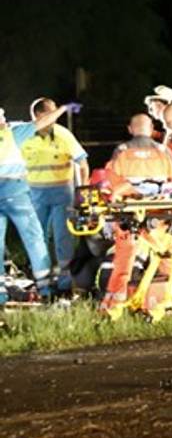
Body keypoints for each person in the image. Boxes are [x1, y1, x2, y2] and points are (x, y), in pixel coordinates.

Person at [100, 114, 172, 313]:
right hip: (160, 216)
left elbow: (112, 183)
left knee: (124, 259)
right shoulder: (164, 152)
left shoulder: (121, 152)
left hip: (129, 215)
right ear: (152, 128)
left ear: (130, 129)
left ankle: (114, 304)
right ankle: (168, 300)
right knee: (166, 256)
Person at [0, 102, 78, 303]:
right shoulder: (11, 135)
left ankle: (1, 294)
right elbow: (41, 122)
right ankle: (45, 288)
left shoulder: (13, 132)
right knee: (35, 239)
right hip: (15, 193)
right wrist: (62, 109)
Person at [20, 98, 90, 292]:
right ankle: (42, 281)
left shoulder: (63, 135)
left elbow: (82, 164)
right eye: (50, 114)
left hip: (62, 193)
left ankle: (65, 283)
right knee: (37, 238)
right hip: (34, 193)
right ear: (38, 116)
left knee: (63, 238)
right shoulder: (24, 135)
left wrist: (82, 191)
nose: (54, 119)